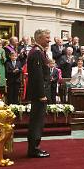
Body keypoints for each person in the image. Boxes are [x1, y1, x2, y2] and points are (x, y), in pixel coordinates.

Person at [26, 29, 51, 158]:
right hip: (38, 94)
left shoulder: (39, 52)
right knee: (37, 122)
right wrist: (42, 94)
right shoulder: (36, 53)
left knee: (38, 121)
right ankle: (34, 149)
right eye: (47, 37)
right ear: (39, 38)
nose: (49, 40)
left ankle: (35, 147)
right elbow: (37, 76)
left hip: (39, 93)